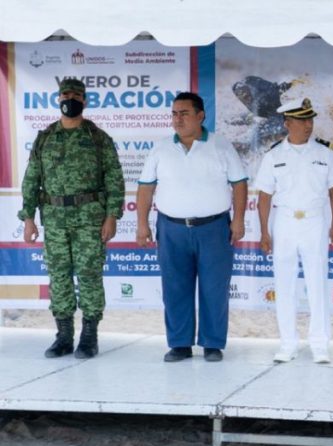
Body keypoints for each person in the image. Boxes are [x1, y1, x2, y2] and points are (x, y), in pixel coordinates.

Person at [136, 92, 248, 363]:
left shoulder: (221, 146)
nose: (178, 119)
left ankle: (212, 343)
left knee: (214, 288)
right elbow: (146, 187)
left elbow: (239, 184)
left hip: (214, 229)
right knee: (175, 287)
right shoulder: (161, 148)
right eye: (174, 114)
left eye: (184, 113)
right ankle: (180, 344)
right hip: (172, 229)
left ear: (200, 116)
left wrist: (239, 219)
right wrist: (141, 224)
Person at [19, 78, 125, 359]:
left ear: (85, 100)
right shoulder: (45, 138)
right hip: (54, 219)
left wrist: (112, 215)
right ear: (58, 98)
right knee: (58, 276)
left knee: (89, 274)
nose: (70, 99)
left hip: (90, 218)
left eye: (76, 95)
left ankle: (89, 336)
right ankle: (64, 336)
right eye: (66, 94)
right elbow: (31, 179)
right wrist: (28, 217)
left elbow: (114, 179)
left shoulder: (98, 138)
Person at [254, 98, 333, 364]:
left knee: (317, 282)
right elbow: (264, 196)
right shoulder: (273, 156)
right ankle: (288, 343)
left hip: (315, 222)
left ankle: (320, 344)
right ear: (287, 123)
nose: (308, 125)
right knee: (284, 284)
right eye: (302, 120)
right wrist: (264, 232)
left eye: (310, 120)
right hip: (284, 222)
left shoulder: (325, 154)